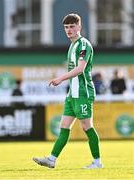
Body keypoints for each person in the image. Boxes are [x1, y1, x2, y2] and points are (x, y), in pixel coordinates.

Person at [33, 13, 103, 169]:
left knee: (86, 126)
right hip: (73, 94)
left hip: (83, 92)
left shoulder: (83, 44)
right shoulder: (73, 45)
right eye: (66, 27)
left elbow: (80, 69)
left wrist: (60, 79)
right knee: (64, 126)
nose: (69, 30)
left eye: (72, 26)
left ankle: (97, 162)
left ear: (79, 26)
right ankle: (51, 159)